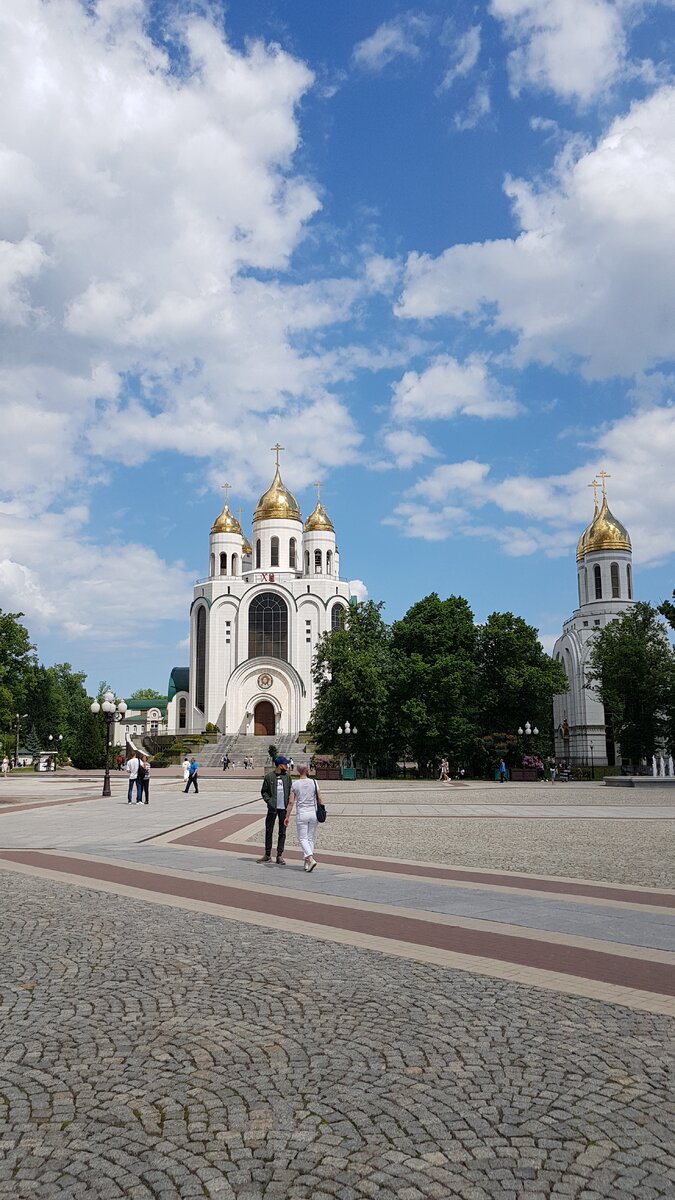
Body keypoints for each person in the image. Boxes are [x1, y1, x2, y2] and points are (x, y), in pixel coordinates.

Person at [285, 764, 323, 872]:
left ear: (298, 771)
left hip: (302, 813)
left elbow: (291, 802)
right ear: (307, 771)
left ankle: (310, 859)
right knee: (310, 837)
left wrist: (287, 816)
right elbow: (319, 797)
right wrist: (323, 809)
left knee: (302, 838)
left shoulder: (295, 784)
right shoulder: (314, 782)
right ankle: (306, 863)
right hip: (313, 812)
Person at [258, 755, 291, 864]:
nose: (287, 765)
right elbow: (264, 791)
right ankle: (267, 855)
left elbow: (290, 790)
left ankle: (279, 855)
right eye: (285, 764)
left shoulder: (287, 777)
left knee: (282, 832)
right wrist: (269, 801)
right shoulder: (269, 777)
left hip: (283, 809)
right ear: (280, 765)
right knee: (269, 830)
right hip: (272, 808)